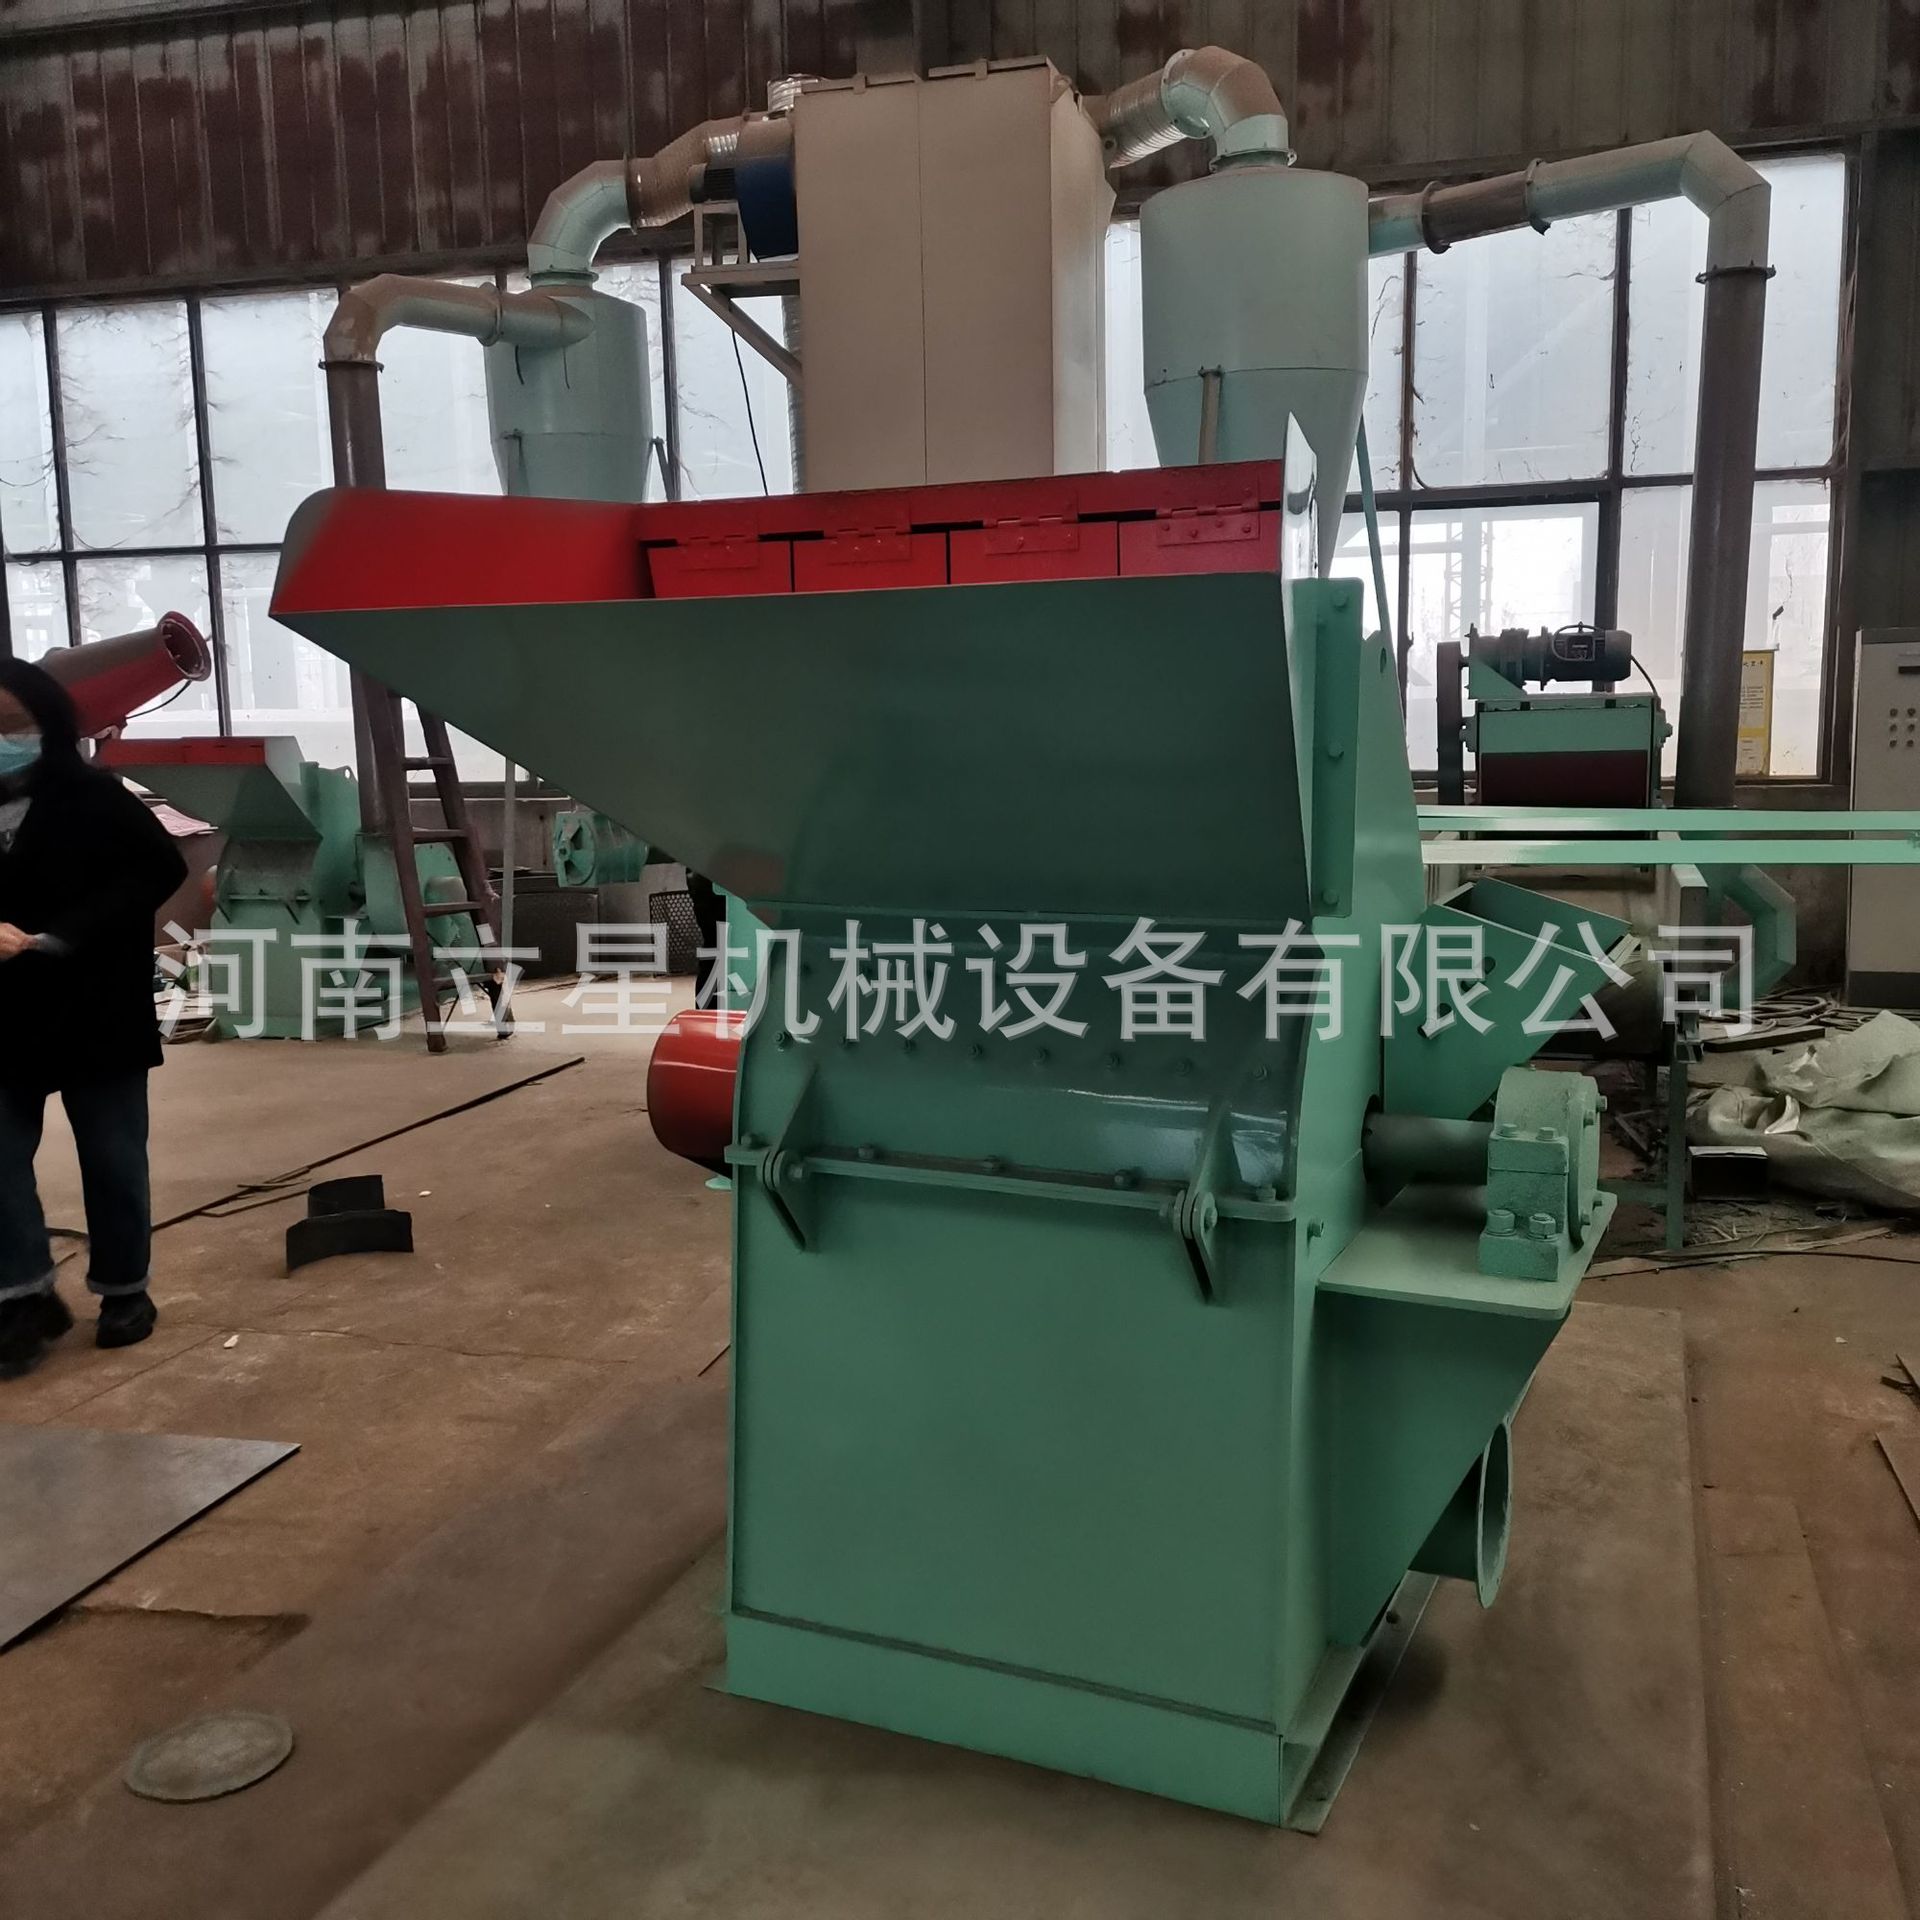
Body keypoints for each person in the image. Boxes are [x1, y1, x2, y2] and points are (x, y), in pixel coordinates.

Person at [0, 658, 187, 1379]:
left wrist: (63, 934)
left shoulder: (93, 796)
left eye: (13, 724)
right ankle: (23, 1295)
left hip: (95, 1006)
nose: (3, 740)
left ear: (46, 725)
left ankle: (124, 1290)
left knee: (112, 1157)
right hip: (4, 1014)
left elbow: (158, 869)